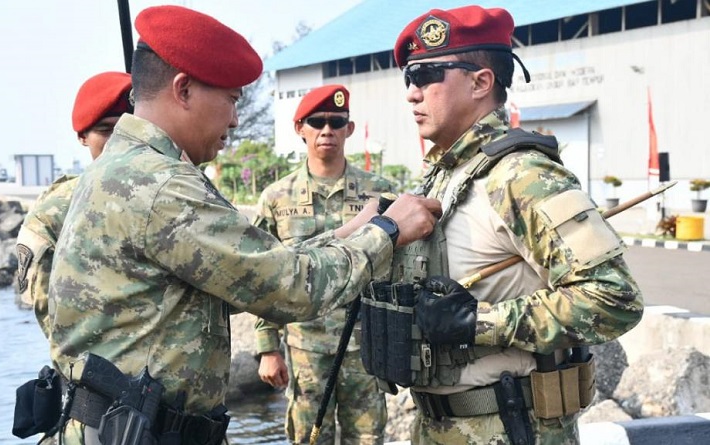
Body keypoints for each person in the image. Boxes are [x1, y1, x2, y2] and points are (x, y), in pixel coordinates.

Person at [46, 6, 442, 445]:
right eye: (232, 100)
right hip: (137, 431)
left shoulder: (125, 168)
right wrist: (387, 233)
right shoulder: (161, 186)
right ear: (183, 89)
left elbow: (246, 267)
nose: (235, 120)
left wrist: (351, 231)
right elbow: (290, 288)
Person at [361, 6, 643, 444]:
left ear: (481, 82)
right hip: (438, 426)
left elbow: (614, 297)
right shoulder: (446, 175)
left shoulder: (522, 175)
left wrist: (478, 322)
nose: (412, 94)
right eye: (408, 79)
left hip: (508, 427)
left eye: (426, 76)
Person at [253, 85, 390, 445]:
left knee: (368, 438)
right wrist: (268, 348)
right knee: (309, 439)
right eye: (317, 122)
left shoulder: (380, 193)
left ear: (349, 128)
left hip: (365, 346)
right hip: (305, 349)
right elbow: (264, 276)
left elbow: (396, 267)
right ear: (300, 128)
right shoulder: (276, 198)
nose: (326, 130)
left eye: (335, 122)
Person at [16, 71, 132, 338]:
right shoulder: (56, 209)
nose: (118, 141)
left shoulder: (168, 193)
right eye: (106, 131)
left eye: (127, 130)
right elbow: (43, 303)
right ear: (82, 136)